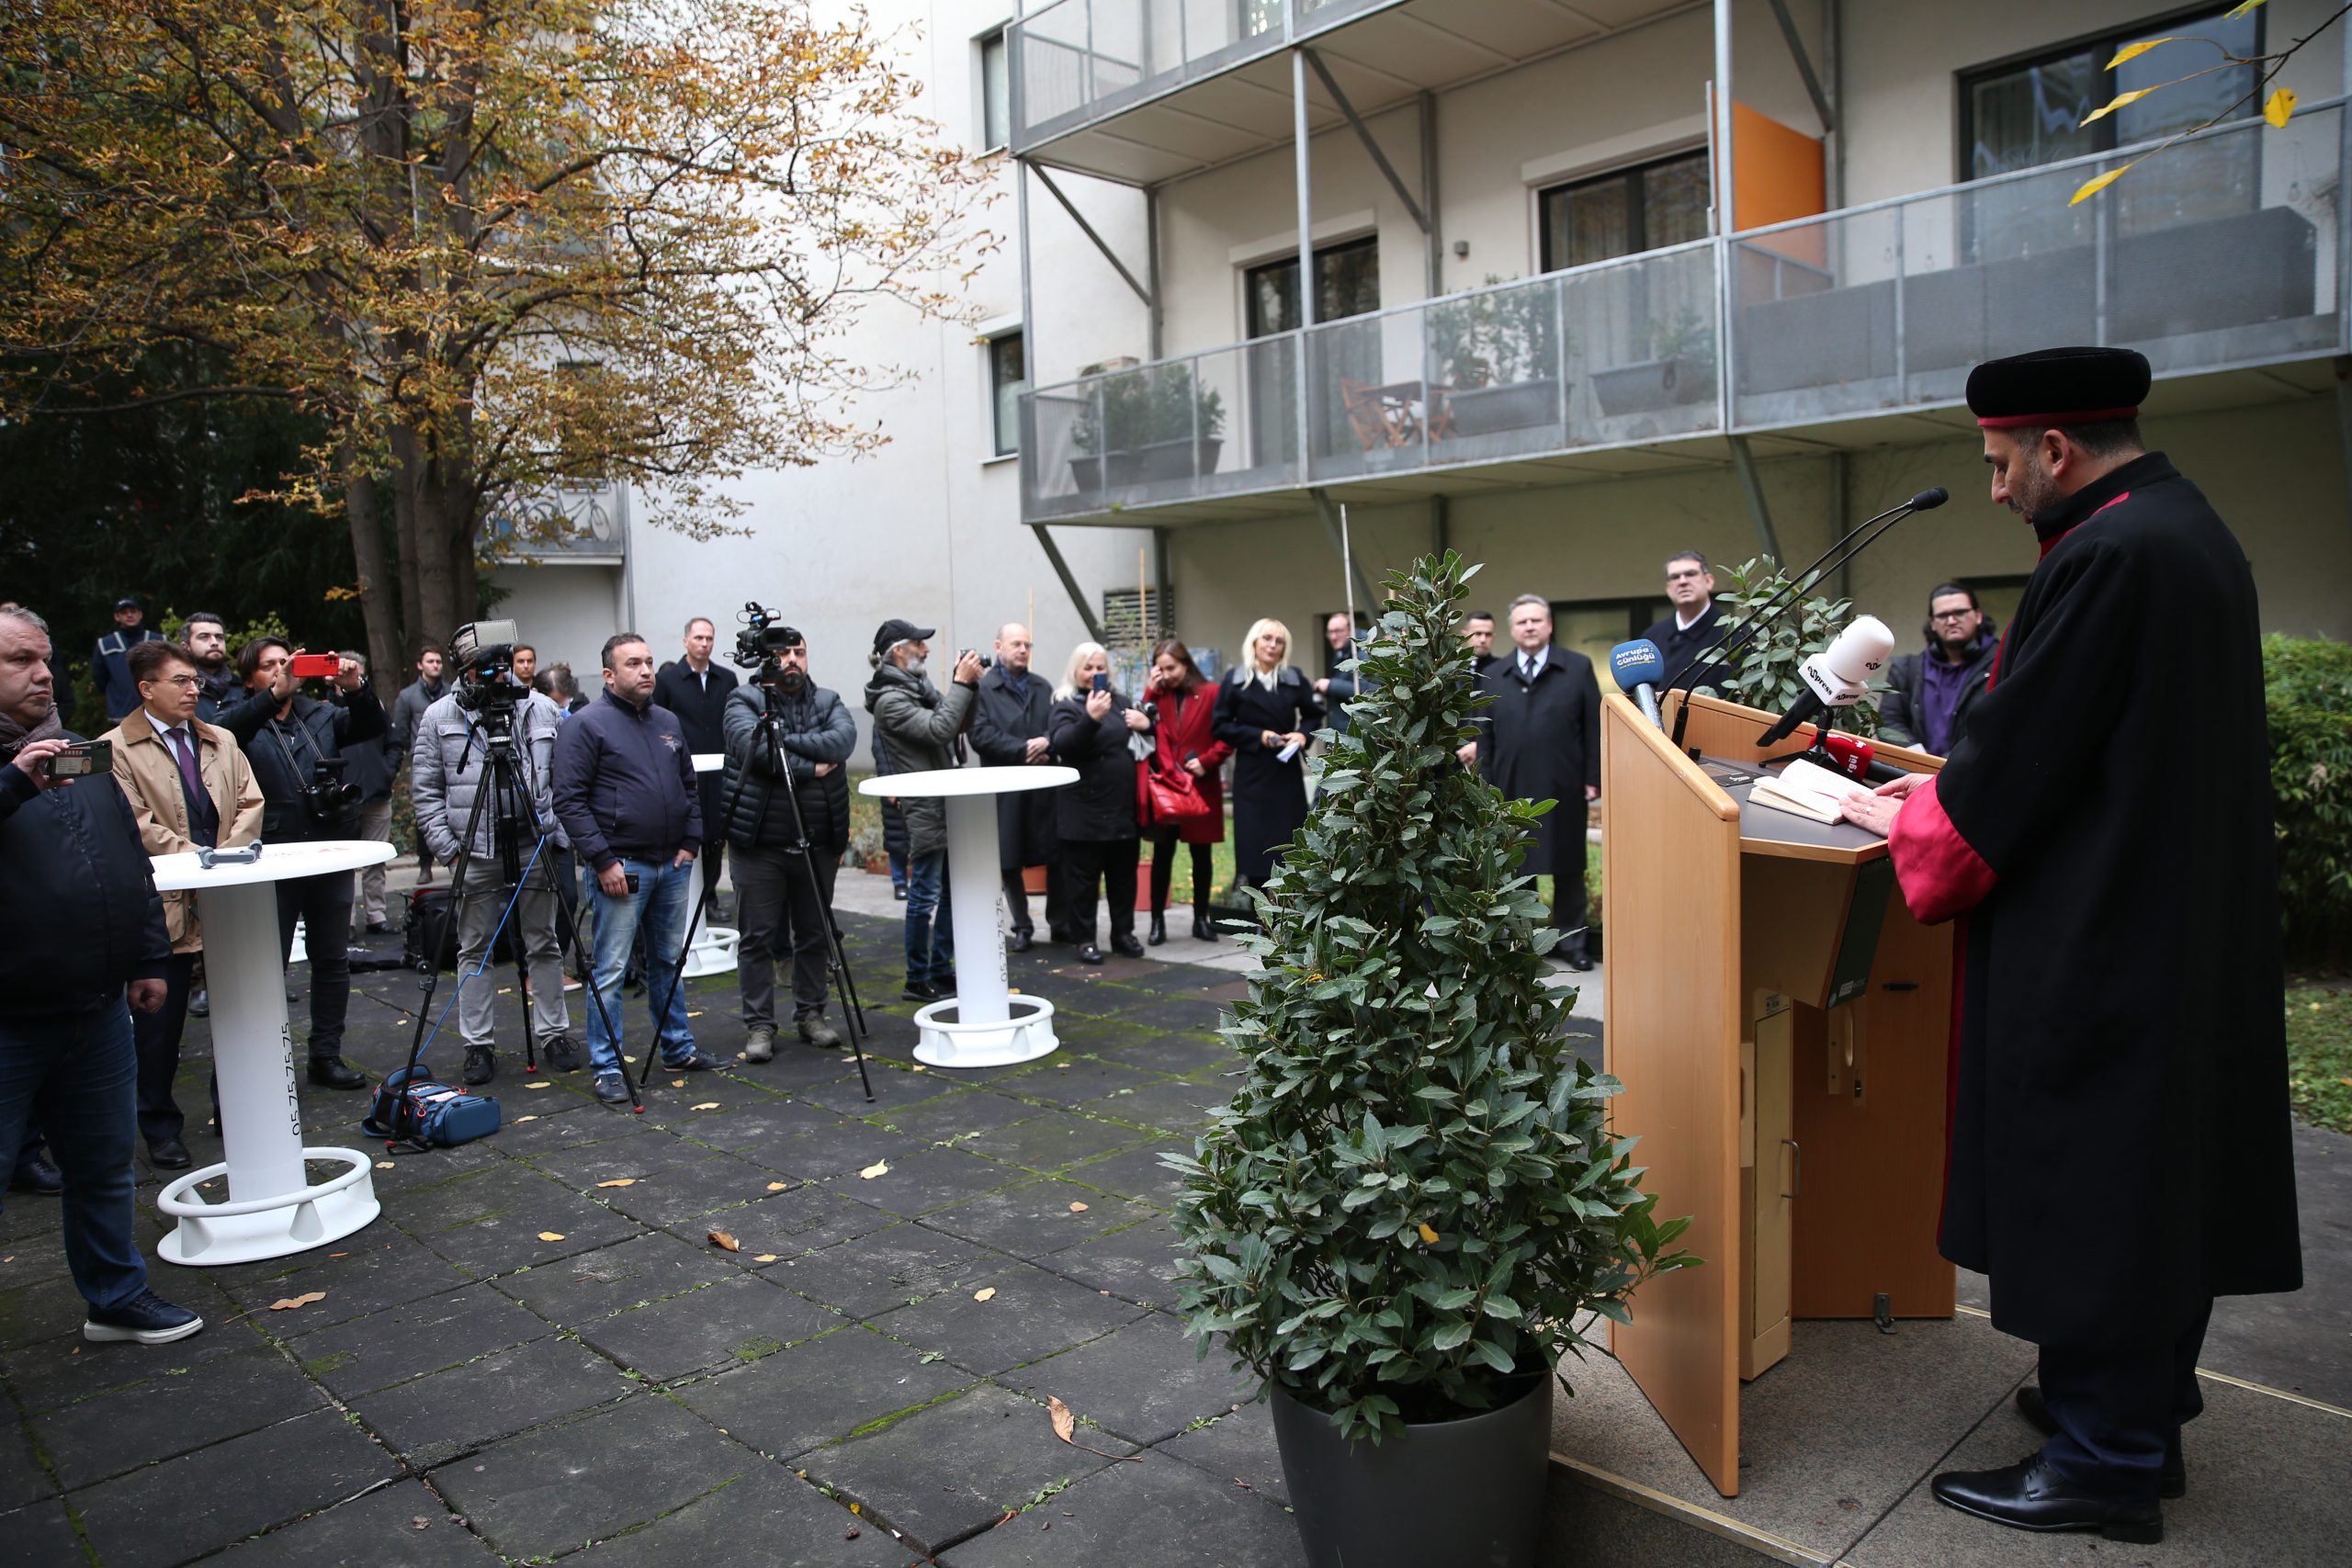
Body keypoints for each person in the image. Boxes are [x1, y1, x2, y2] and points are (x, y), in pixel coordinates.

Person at [1837, 347, 2301, 1545]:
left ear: (2054, 449)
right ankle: (2134, 1409)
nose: (1993, 488)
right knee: (2150, 1179)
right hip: (2168, 916)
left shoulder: (2113, 553)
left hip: (2106, 931)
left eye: (1998, 463)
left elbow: (2023, 757)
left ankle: (2107, 1456)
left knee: (2099, 1177)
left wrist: (1912, 817)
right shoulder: (2183, 527)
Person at [0, 605, 205, 1345]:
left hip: (93, 1009)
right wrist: (13, 785)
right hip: (10, 1018)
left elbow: (125, 858)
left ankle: (115, 1295)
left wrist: (149, 955)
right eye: (20, 659)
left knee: (104, 1166)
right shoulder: (20, 772)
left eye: (46, 657)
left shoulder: (76, 754)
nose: (44, 672)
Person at [100, 639, 262, 1170]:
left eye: (196, 681)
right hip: (162, 905)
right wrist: (201, 859)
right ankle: (159, 1127)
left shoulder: (220, 739)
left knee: (237, 1013)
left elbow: (249, 803)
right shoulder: (114, 749)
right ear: (147, 689)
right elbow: (136, 825)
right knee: (158, 1028)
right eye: (181, 682)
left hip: (227, 900)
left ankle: (232, 1109)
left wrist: (228, 859)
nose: (195, 689)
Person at [553, 633, 726, 1103]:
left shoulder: (667, 721)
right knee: (609, 968)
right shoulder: (586, 726)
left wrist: (691, 842)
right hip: (621, 867)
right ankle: (608, 1067)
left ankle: (677, 1047)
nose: (647, 670)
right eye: (634, 664)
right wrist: (603, 860)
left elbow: (688, 786)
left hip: (671, 864)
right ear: (609, 675)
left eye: (649, 661)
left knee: (668, 962)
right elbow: (568, 800)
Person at [213, 637, 384, 1088]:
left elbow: (370, 725)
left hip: (328, 849)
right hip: (273, 856)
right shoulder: (241, 720)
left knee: (332, 959)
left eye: (285, 664)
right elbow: (226, 733)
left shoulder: (320, 713)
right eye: (268, 667)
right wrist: (273, 696)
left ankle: (325, 1055)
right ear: (251, 677)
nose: (279, 671)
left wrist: (355, 688)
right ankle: (267, 1061)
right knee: (268, 964)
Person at [411, 654, 578, 1086]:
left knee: (544, 943)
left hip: (533, 842)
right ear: (462, 670)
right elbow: (425, 790)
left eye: (501, 665)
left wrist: (556, 829)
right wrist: (449, 852)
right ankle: (478, 1045)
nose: (495, 675)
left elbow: (565, 775)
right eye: (483, 668)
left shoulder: (539, 707)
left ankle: (554, 1034)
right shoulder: (439, 715)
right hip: (474, 849)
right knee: (475, 949)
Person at [719, 628, 854, 1059]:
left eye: (799, 651)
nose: (792, 659)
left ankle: (811, 1014)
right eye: (783, 653)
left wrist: (782, 743)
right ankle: (760, 1026)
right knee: (757, 938)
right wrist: (811, 767)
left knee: (814, 935)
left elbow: (843, 741)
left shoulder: (829, 700)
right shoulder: (743, 700)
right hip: (759, 843)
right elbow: (752, 751)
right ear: (767, 659)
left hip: (817, 841)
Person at [1461, 593, 1600, 970]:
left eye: (1537, 620)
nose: (1530, 626)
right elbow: (1484, 735)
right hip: (1511, 785)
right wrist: (1486, 786)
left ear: (1550, 625)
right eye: (1522, 622)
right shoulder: (1496, 675)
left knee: (1570, 866)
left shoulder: (1578, 668)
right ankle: (1523, 944)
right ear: (1512, 629)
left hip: (1563, 785)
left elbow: (1593, 728)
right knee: (1518, 868)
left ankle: (1573, 944)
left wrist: (1593, 778)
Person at [863, 620, 982, 1002]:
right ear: (898, 651)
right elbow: (938, 730)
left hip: (944, 799)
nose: (927, 650)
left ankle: (940, 968)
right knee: (925, 894)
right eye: (919, 644)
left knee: (949, 890)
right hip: (926, 804)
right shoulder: (890, 700)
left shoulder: (916, 688)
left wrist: (970, 686)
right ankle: (916, 977)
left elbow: (959, 721)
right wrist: (961, 684)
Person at [967, 622, 1070, 953]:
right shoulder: (983, 689)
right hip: (1005, 787)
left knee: (1055, 855)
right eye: (1016, 644)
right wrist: (1022, 749)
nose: (1023, 650)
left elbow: (1059, 727)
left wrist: (1048, 744)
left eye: (1027, 644)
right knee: (1009, 859)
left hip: (1043, 786)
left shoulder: (1043, 687)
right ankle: (1022, 926)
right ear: (998, 647)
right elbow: (979, 734)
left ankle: (1059, 923)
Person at [1046, 642, 1149, 963]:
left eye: (1100, 667)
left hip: (1121, 809)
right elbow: (1062, 744)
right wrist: (1090, 719)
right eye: (1087, 668)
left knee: (1123, 878)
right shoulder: (1064, 703)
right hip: (1083, 811)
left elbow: (1143, 739)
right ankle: (1085, 939)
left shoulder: (1120, 702)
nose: (1094, 674)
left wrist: (1149, 725)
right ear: (1075, 671)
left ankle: (1123, 934)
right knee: (1083, 883)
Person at [1212, 618, 1322, 893]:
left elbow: (1313, 716)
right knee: (1255, 853)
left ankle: (1293, 919)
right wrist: (1257, 736)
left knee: (1290, 852)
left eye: (1279, 641)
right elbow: (1220, 725)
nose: (1273, 645)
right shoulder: (1235, 680)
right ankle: (1261, 921)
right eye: (1267, 639)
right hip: (1251, 776)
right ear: (1254, 642)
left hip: (1286, 776)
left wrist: (1301, 735)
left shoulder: (1293, 678)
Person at [1141, 638, 1229, 944]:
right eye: (1161, 669)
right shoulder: (1158, 696)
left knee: (1201, 855)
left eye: (1172, 668)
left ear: (1185, 664)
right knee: (1162, 855)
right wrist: (1151, 689)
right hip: (1166, 786)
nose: (1167, 674)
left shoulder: (1211, 693)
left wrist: (1207, 762)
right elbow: (1142, 724)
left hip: (1200, 784)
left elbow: (1227, 735)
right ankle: (1156, 922)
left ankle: (1200, 920)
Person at [653, 617, 740, 917]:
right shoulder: (666, 681)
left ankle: (710, 897)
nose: (704, 644)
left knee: (716, 834)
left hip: (719, 770)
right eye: (699, 638)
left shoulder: (726, 679)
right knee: (690, 832)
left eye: (710, 638)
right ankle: (684, 899)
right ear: (685, 640)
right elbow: (658, 721)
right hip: (683, 771)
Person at [1876, 583, 1997, 756]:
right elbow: (1889, 720)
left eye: (1960, 612)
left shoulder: (2004, 664)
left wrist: (1952, 764)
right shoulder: (1906, 669)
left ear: (1978, 616)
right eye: (1943, 615)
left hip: (1976, 775)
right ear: (1932, 623)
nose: (1951, 621)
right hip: (1918, 774)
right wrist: (1918, 758)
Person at [338, 652, 397, 937]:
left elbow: (394, 742)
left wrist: (386, 772)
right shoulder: (325, 711)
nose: (353, 679)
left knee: (376, 860)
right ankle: (344, 920)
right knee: (342, 864)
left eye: (358, 675)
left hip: (377, 793)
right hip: (343, 799)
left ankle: (377, 915)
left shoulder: (376, 709)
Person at [389, 646, 448, 884]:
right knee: (425, 813)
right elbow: (401, 730)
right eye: (431, 661)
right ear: (420, 665)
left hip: (452, 759)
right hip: (422, 760)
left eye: (439, 661)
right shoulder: (408, 696)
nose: (436, 665)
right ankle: (425, 864)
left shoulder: (451, 691)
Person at [1637, 550, 1726, 689]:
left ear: (1709, 581)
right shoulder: (1651, 639)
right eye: (1675, 577)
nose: (1683, 581)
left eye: (1690, 574)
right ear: (1668, 588)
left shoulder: (1734, 634)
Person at [93, 596, 164, 723]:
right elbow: (100, 679)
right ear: (117, 616)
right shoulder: (106, 644)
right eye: (124, 613)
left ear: (140, 614)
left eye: (133, 611)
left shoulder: (159, 641)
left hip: (157, 711)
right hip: (120, 712)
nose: (129, 615)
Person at [1313, 610, 1370, 737]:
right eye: (1330, 632)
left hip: (1356, 734)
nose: (1333, 637)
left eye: (1338, 631)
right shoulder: (1342, 654)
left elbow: (1365, 691)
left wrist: (1330, 685)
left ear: (1350, 630)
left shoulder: (1362, 654)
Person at [182, 611, 241, 718]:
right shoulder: (179, 689)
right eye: (204, 637)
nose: (214, 642)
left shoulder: (241, 688)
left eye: (219, 637)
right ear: (186, 647)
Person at [1460, 611, 1500, 679]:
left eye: (1488, 634)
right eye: (1478, 634)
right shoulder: (1450, 669)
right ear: (1464, 636)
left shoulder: (1503, 669)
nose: (1483, 640)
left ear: (1493, 637)